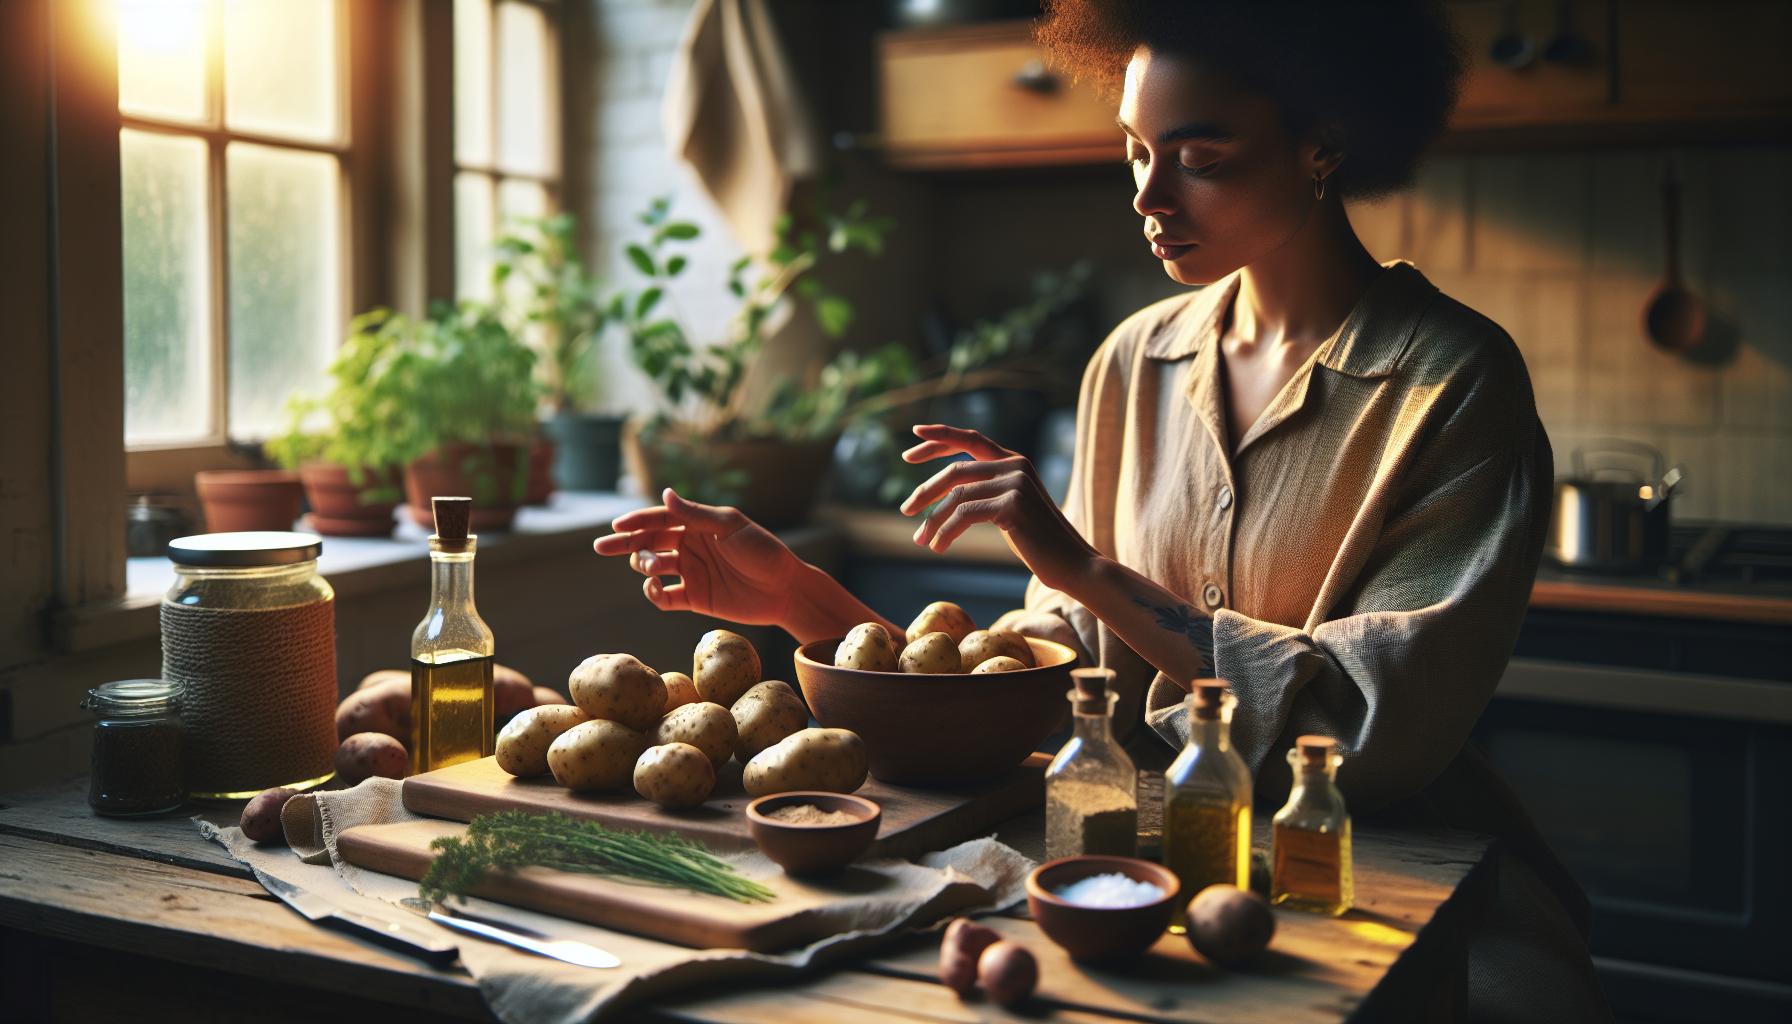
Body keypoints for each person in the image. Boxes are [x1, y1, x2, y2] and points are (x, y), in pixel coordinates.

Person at [596, 1, 1608, 1019]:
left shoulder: (1451, 383)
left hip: (1367, 862)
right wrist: (806, 601)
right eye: (1133, 150)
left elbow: (1363, 731)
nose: (1148, 194)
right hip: (1120, 857)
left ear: (1322, 144)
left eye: (1199, 156)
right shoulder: (1133, 362)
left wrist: (1082, 566)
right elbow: (1038, 687)